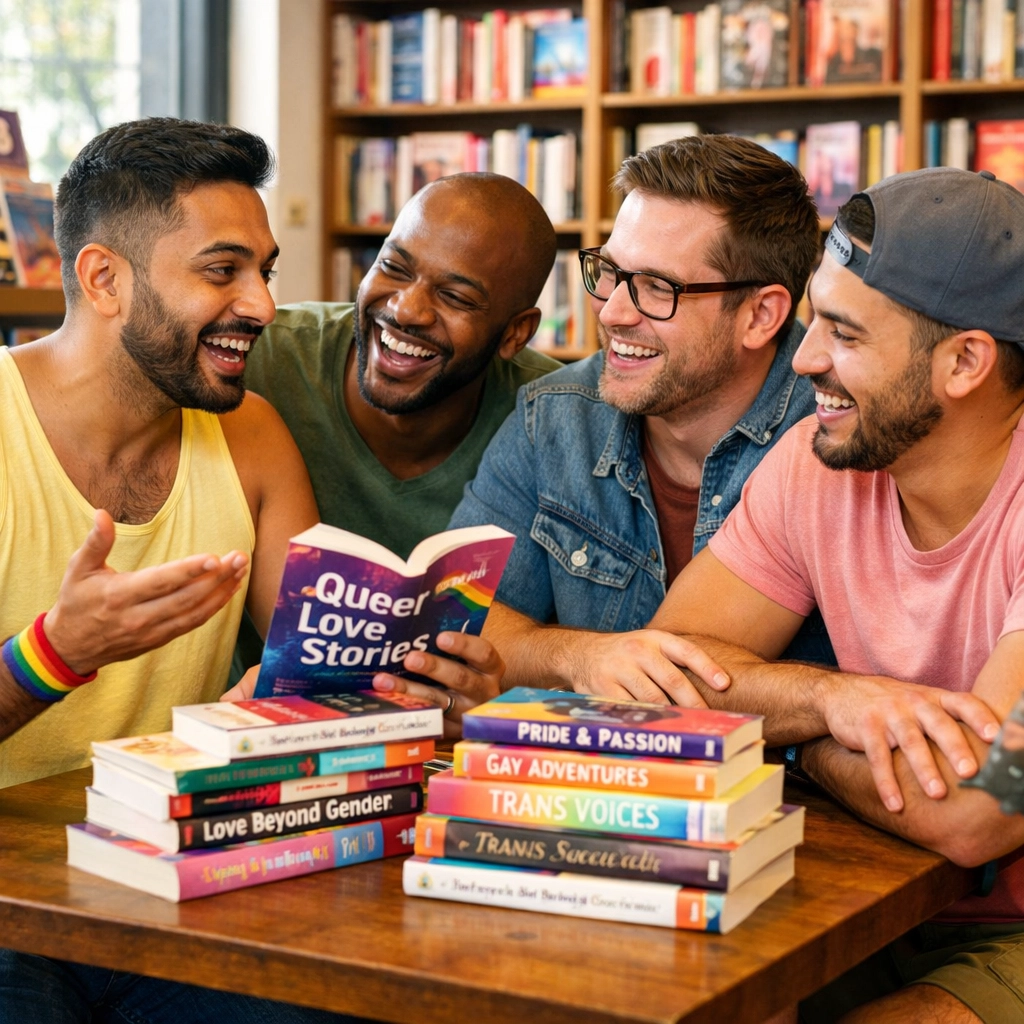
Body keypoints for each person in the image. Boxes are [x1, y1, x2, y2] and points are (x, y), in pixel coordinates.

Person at [553, 168, 1024, 1023]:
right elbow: (662, 684)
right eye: (813, 321)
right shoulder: (818, 460)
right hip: (874, 898)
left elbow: (977, 812)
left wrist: (798, 747)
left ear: (965, 362)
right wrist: (829, 698)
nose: (803, 360)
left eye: (843, 333)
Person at [0, 116, 359, 1024]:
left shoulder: (251, 437)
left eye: (264, 272)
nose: (265, 307)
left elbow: (324, 668)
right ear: (104, 279)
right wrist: (55, 654)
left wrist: (334, 691)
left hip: (185, 884)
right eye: (221, 270)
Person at [446, 133, 832, 703]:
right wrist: (580, 657)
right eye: (608, 271)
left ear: (761, 315)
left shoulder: (843, 440)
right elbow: (453, 618)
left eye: (658, 288)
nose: (613, 312)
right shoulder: (553, 419)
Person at [230, 172, 561, 719]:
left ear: (515, 333)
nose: (406, 310)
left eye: (454, 296)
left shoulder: (552, 418)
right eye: (393, 268)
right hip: (258, 720)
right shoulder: (260, 361)